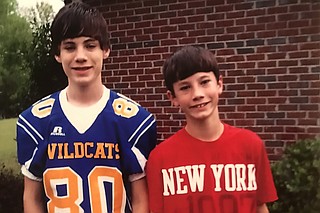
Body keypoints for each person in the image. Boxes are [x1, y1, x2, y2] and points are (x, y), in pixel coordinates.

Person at [16, 1, 157, 212]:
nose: (80, 57)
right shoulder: (34, 122)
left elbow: (140, 200)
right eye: (70, 47)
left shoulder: (135, 120)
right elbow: (32, 199)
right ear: (57, 54)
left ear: (106, 50)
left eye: (90, 45)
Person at [146, 45, 277, 213]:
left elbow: (260, 206)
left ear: (219, 84)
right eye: (185, 87)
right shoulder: (160, 159)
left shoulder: (251, 145)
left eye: (204, 82)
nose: (197, 94)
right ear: (173, 97)